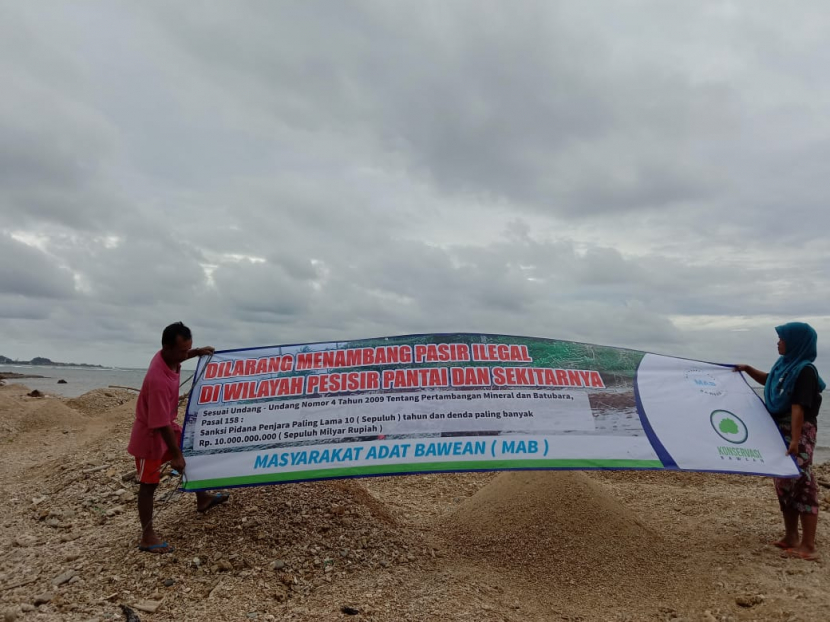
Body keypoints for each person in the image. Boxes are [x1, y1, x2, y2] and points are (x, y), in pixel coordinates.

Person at [127, 322, 229, 553]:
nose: (185, 354)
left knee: (191, 451)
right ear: (167, 347)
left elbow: (181, 358)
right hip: (150, 436)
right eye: (183, 350)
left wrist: (198, 352)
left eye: (188, 349)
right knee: (148, 485)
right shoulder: (157, 380)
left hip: (166, 426)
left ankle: (202, 498)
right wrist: (176, 455)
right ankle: (147, 536)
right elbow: (160, 423)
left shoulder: (169, 358)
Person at [735, 322, 825, 561]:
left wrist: (795, 441)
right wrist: (748, 369)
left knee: (802, 480)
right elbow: (771, 381)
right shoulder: (785, 366)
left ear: (795, 342)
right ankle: (791, 537)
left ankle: (808, 546)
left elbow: (798, 408)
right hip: (779, 430)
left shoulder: (805, 371)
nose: (778, 342)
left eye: (782, 339)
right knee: (783, 480)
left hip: (799, 431)